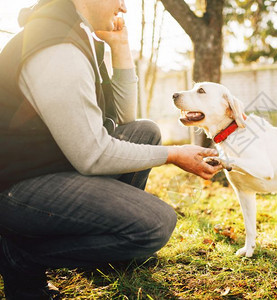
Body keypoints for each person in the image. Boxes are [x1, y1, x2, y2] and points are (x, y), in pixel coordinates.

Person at [0, 0, 222, 298]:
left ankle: (106, 254)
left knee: (145, 132)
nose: (123, 7)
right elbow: (93, 154)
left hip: (52, 165)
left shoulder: (77, 34)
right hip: (15, 187)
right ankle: (20, 257)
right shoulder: (57, 46)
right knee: (156, 224)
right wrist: (173, 155)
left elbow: (125, 120)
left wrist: (120, 47)